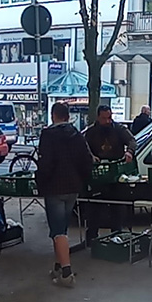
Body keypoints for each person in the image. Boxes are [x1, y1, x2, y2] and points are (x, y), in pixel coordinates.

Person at [35, 102, 94, 288]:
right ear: (68, 116)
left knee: (57, 231)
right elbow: (87, 160)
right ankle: (58, 266)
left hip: (55, 187)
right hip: (73, 187)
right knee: (62, 229)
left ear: (53, 115)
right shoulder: (77, 134)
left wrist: (40, 182)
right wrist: (81, 180)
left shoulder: (48, 135)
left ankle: (66, 273)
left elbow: (45, 163)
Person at [83, 105, 137, 244]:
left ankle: (116, 238)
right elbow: (83, 145)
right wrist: (91, 156)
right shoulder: (91, 131)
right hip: (98, 174)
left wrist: (129, 151)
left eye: (109, 118)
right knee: (95, 209)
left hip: (115, 173)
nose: (107, 121)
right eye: (104, 118)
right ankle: (92, 239)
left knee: (117, 208)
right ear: (98, 117)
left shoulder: (118, 129)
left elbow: (132, 140)